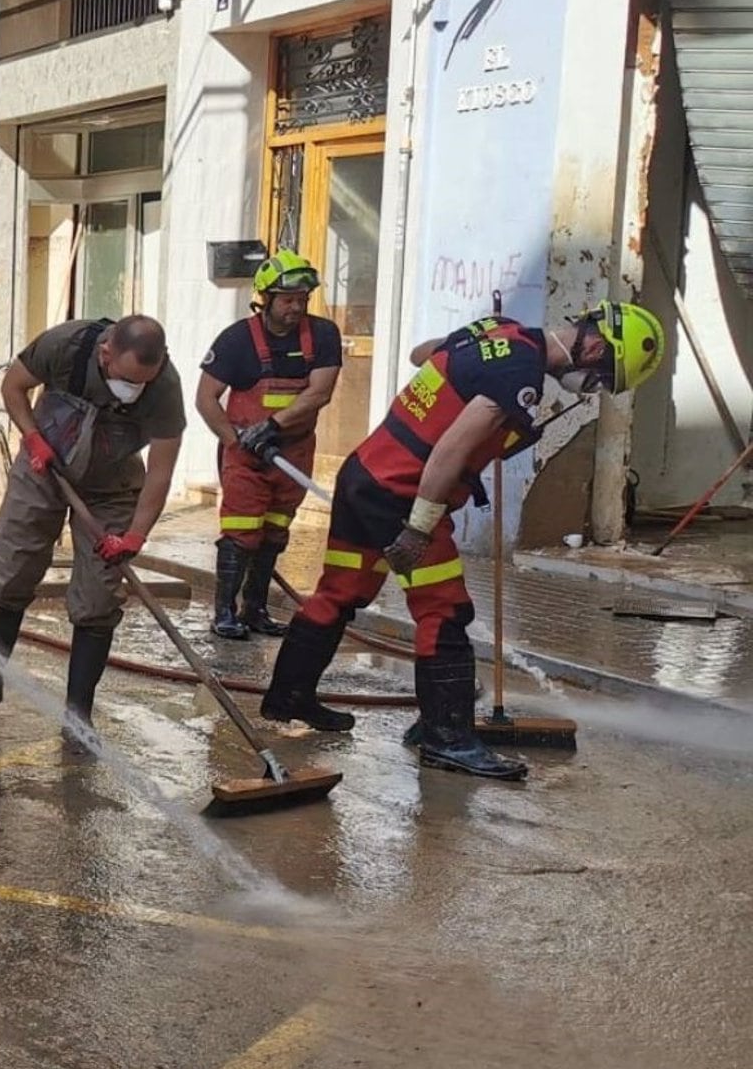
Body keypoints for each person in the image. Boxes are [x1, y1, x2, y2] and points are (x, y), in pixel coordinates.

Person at [261, 300, 666, 781]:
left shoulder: (499, 331)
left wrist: (481, 382)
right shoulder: (520, 373)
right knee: (444, 609)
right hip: (402, 493)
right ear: (596, 348)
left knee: (339, 591)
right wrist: (419, 527)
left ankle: (289, 697)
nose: (593, 388)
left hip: (365, 474)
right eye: (602, 379)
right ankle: (446, 739)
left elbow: (422, 355)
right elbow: (449, 450)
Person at [0, 314, 185, 747]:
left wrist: (135, 535)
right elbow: (13, 387)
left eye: (141, 383)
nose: (132, 390)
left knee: (98, 598)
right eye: (125, 379)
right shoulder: (67, 345)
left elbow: (161, 471)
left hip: (112, 486)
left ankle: (78, 715)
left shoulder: (165, 386)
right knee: (10, 573)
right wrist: (32, 436)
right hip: (44, 466)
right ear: (106, 352)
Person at [195, 250, 343, 639]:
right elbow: (206, 398)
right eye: (287, 300)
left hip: (294, 451)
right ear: (266, 299)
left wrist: (272, 426)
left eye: (302, 299)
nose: (296, 307)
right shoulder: (237, 340)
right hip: (246, 456)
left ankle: (255, 609)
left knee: (275, 532)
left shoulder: (323, 335)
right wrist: (235, 441)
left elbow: (320, 393)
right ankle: (224, 612)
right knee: (241, 532)